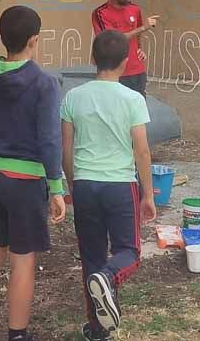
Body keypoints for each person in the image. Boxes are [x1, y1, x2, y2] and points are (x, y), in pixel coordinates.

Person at [0, 6, 67, 341]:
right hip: (26, 182)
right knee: (22, 260)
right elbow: (50, 139)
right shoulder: (45, 83)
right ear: (34, 40)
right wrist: (57, 187)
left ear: (2, 38)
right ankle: (17, 334)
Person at [62, 30, 157, 341]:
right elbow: (141, 150)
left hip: (86, 184)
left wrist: (73, 185)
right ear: (126, 62)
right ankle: (107, 276)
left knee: (91, 256)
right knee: (128, 251)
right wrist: (148, 194)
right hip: (120, 185)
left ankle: (97, 329)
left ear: (93, 59)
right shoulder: (132, 99)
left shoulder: (73, 96)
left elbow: (66, 149)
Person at [91, 0, 158, 96]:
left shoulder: (135, 9)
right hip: (114, 74)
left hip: (137, 71)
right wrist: (143, 28)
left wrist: (140, 50)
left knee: (138, 110)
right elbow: (112, 40)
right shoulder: (101, 13)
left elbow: (137, 35)